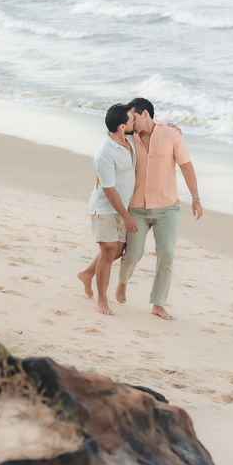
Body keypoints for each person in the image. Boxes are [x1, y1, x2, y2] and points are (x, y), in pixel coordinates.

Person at [116, 97, 202, 320]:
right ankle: (122, 282)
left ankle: (158, 304)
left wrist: (196, 199)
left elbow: (187, 167)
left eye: (134, 117)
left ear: (145, 114)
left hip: (167, 208)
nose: (131, 122)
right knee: (133, 254)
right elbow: (110, 136)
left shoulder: (171, 134)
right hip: (137, 208)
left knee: (167, 255)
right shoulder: (129, 137)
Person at [76, 103, 139, 316]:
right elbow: (109, 190)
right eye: (131, 120)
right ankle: (102, 300)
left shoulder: (130, 140)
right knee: (109, 250)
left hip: (123, 205)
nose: (135, 122)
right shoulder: (105, 152)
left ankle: (87, 274)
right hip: (105, 207)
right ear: (122, 126)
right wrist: (126, 217)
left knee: (117, 251)